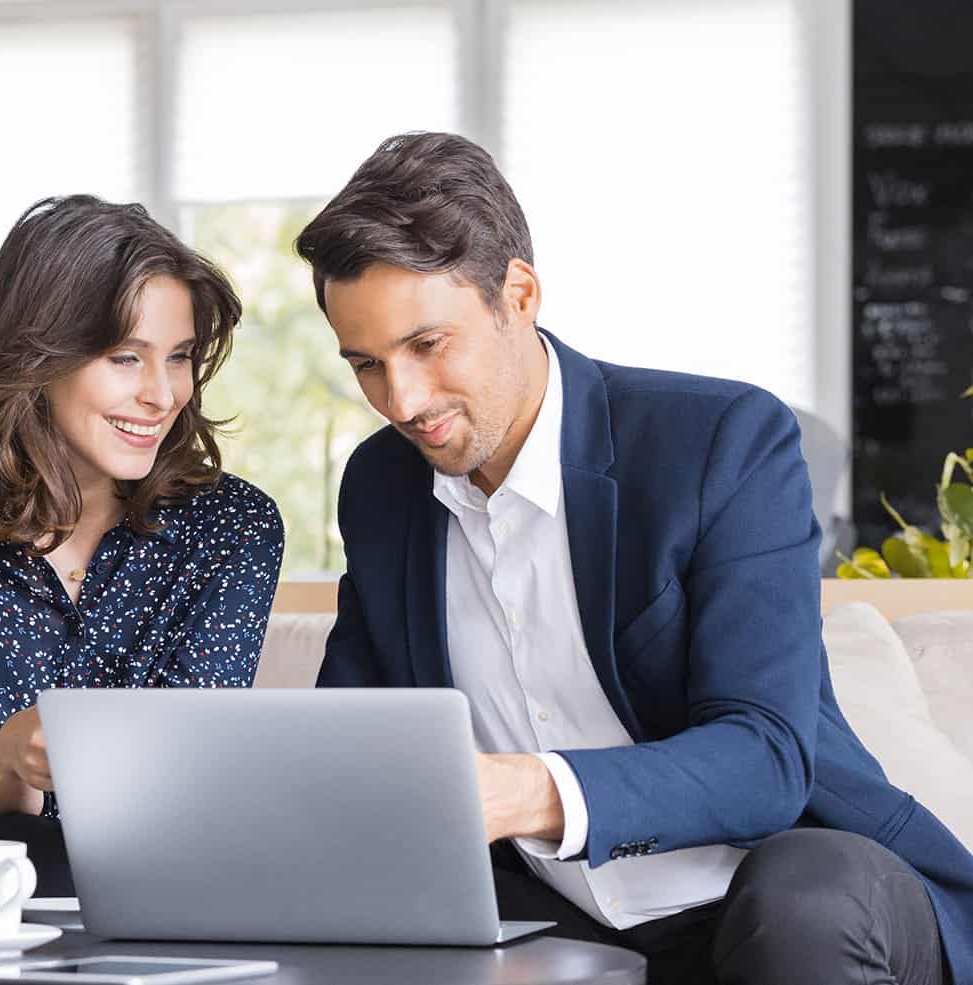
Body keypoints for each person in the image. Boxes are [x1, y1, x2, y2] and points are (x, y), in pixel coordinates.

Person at [296, 132, 972, 985]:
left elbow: (765, 755)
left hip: (788, 889)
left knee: (801, 901)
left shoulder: (720, 441)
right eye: (367, 365)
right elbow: (353, 737)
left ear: (520, 293)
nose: (403, 399)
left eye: (428, 345)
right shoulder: (381, 487)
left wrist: (528, 791)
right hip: (560, 921)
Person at [0, 195, 285, 896]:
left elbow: (186, 795)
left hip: (171, 904)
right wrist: (7, 757)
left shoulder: (233, 528)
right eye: (125, 357)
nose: (163, 394)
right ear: (36, 355)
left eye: (178, 358)